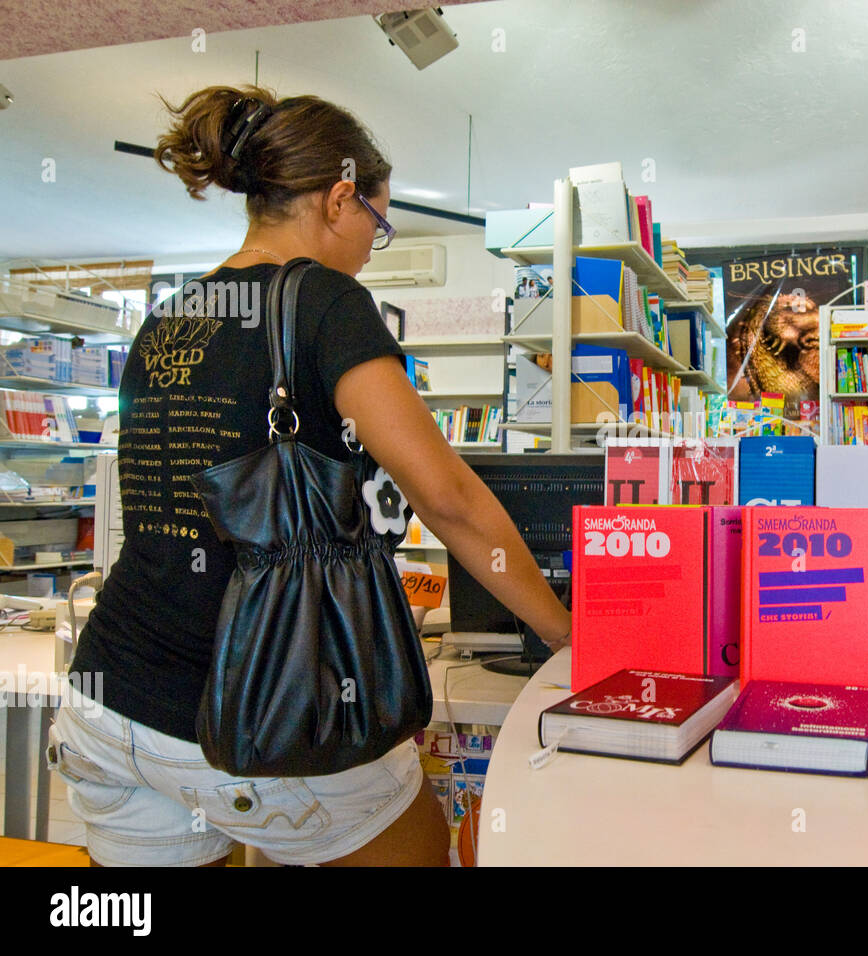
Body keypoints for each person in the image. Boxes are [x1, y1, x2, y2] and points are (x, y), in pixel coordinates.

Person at [47, 85, 571, 867]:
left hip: (111, 698)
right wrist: (565, 635)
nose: (370, 243)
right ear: (338, 199)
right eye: (377, 223)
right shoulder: (326, 302)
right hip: (268, 699)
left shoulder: (170, 313)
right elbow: (449, 500)